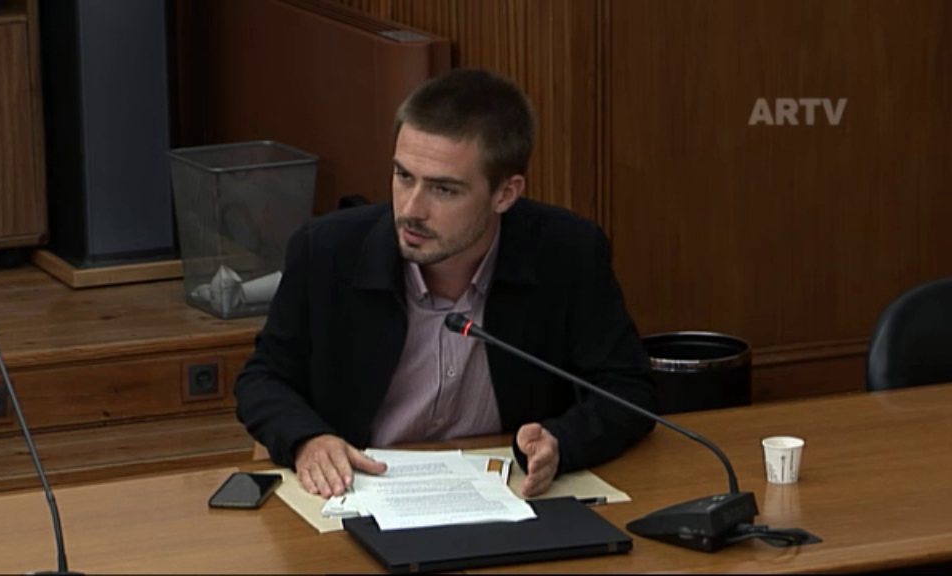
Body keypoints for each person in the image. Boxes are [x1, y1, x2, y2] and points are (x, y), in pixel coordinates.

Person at [234, 68, 656, 500]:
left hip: (509, 495)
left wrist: (563, 441)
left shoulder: (567, 252)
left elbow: (628, 389)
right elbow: (263, 379)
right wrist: (307, 439)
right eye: (404, 177)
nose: (411, 209)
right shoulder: (327, 251)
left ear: (505, 194)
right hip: (359, 491)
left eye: (444, 190)